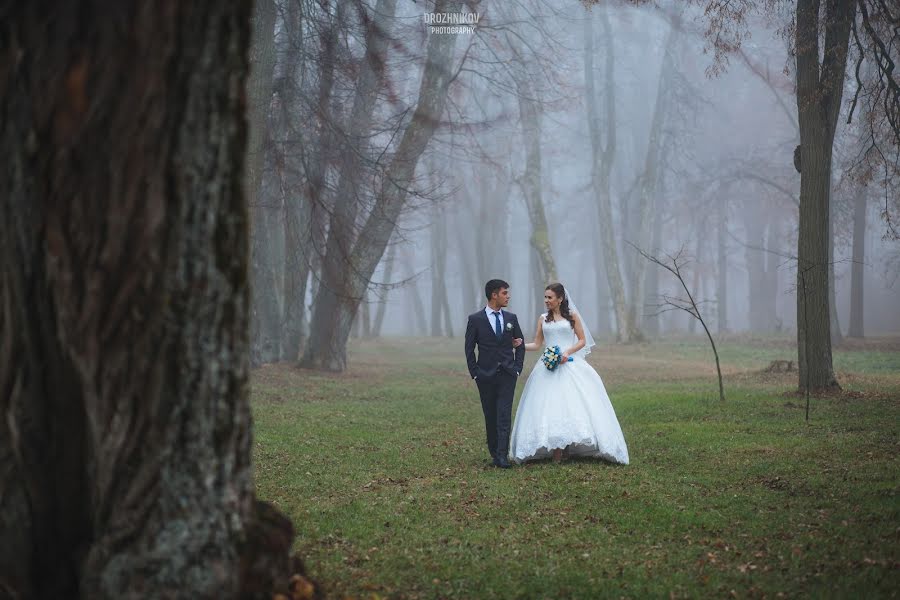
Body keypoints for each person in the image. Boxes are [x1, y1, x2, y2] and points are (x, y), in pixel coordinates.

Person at [509, 283, 629, 465]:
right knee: (551, 404)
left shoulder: (572, 316)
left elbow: (582, 340)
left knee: (570, 403)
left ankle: (564, 448)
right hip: (547, 367)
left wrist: (567, 352)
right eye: (545, 297)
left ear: (560, 299)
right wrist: (520, 345)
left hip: (569, 364)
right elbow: (537, 344)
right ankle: (557, 448)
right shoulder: (543, 318)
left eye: (550, 297)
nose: (546, 301)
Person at [464, 279, 526, 469]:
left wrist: (517, 368)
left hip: (508, 374)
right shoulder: (475, 319)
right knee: (490, 415)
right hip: (485, 376)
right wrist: (475, 373)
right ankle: (493, 451)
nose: (508, 296)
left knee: (504, 415)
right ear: (494, 295)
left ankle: (502, 455)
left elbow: (520, 343)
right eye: (504, 293)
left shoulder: (511, 318)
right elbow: (469, 348)